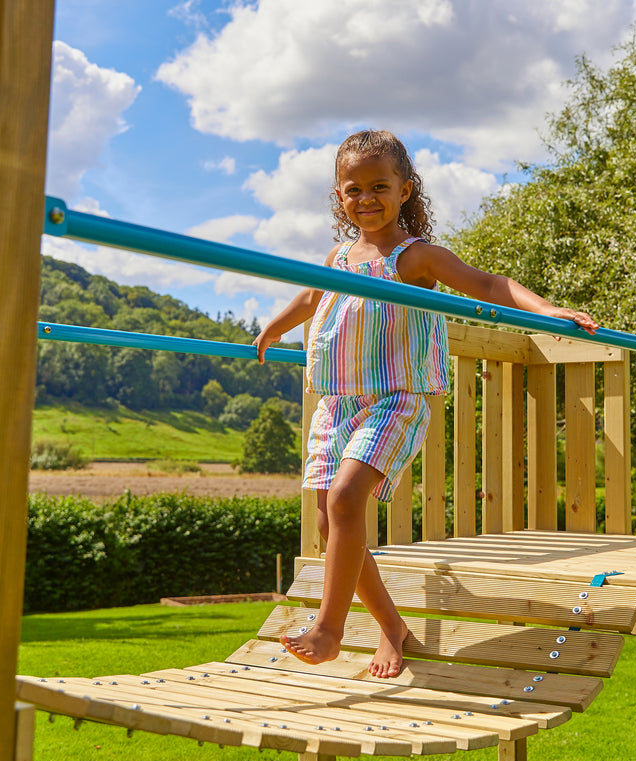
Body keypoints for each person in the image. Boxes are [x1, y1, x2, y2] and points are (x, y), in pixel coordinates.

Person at [253, 130, 597, 679]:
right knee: (328, 521)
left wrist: (549, 310)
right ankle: (394, 629)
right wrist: (275, 326)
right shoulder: (338, 256)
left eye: (379, 187)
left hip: (395, 397)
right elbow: (313, 294)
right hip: (338, 403)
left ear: (406, 190)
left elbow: (488, 283)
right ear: (339, 197)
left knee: (345, 500)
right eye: (353, 189)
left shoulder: (415, 257)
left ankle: (330, 628)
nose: (366, 198)